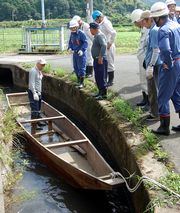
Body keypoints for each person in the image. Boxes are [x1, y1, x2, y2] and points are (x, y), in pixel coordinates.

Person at [150, 2, 180, 135]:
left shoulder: (163, 30)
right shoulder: (176, 24)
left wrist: (168, 62)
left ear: (158, 17)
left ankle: (164, 127)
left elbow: (166, 49)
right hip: (179, 62)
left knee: (162, 96)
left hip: (171, 64)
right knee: (177, 93)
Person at [140, 10, 162, 120]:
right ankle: (155, 112)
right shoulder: (152, 29)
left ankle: (155, 114)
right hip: (154, 63)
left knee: (153, 90)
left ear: (149, 19)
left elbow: (156, 50)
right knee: (153, 89)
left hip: (155, 65)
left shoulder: (153, 30)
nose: (142, 24)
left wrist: (151, 66)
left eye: (143, 22)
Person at [92, 10, 116, 87]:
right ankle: (105, 79)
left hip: (108, 46)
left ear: (99, 17)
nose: (96, 21)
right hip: (103, 45)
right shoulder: (100, 23)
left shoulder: (106, 23)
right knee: (105, 63)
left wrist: (110, 43)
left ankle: (111, 80)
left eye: (96, 19)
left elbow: (113, 33)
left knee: (110, 63)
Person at [131, 9, 149, 107]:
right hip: (142, 59)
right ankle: (145, 99)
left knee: (146, 80)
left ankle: (148, 101)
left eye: (135, 22)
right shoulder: (143, 29)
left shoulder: (147, 29)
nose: (135, 25)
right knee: (143, 80)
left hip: (146, 59)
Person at [68, 19, 88, 89]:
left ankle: (82, 83)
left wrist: (82, 50)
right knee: (75, 67)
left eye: (73, 27)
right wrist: (70, 48)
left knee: (81, 68)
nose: (72, 29)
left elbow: (85, 42)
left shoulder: (81, 33)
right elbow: (70, 42)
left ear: (76, 27)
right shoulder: (72, 34)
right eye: (71, 28)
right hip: (75, 53)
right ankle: (78, 81)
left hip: (81, 54)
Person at [90, 22, 108, 100]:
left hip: (100, 59)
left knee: (101, 76)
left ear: (95, 29)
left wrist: (100, 57)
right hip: (96, 59)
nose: (90, 31)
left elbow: (104, 45)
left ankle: (103, 94)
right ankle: (100, 92)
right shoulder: (97, 36)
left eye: (91, 29)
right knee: (98, 76)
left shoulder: (100, 35)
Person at [28, 58, 47, 130]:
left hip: (38, 92)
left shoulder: (39, 71)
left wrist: (38, 93)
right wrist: (34, 93)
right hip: (34, 92)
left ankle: (38, 122)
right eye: (42, 65)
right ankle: (34, 126)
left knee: (38, 108)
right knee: (34, 109)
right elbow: (31, 83)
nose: (43, 66)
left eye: (44, 65)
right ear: (38, 64)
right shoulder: (33, 71)